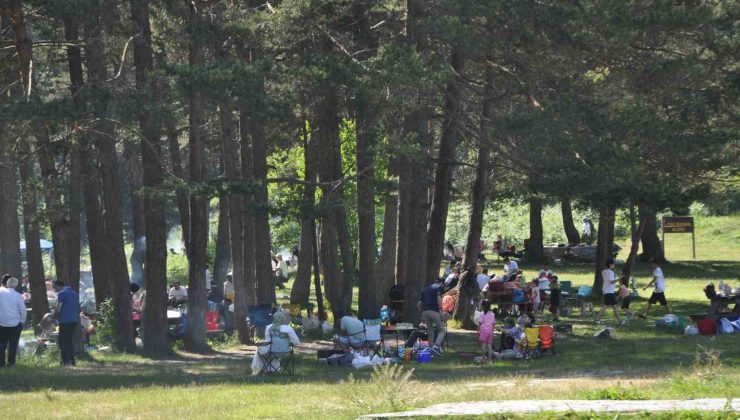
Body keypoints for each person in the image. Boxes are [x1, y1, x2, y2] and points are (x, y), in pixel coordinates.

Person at [250, 311, 300, 375]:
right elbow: (296, 342)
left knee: (260, 350)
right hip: (285, 352)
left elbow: (268, 342)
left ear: (274, 318)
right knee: (268, 351)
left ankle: (257, 370)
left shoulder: (269, 327)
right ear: (283, 318)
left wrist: (260, 344)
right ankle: (272, 370)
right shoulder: (289, 328)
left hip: (271, 352)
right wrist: (289, 342)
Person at [0, 277, 27, 367]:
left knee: (2, 344)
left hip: (2, 323)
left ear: (7, 284)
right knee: (13, 345)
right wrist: (22, 321)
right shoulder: (18, 296)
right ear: (16, 285)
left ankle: (1, 363)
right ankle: (11, 363)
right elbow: (23, 310)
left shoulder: (1, 294)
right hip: (15, 324)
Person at [54, 280, 79, 366]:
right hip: (74, 320)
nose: (55, 289)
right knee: (69, 340)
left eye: (54, 287)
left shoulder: (61, 293)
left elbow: (58, 308)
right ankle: (72, 360)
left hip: (65, 320)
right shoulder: (74, 293)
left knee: (62, 341)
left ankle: (66, 361)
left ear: (57, 286)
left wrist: (54, 316)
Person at [418, 278, 445, 355]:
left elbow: (419, 304)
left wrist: (422, 314)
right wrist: (442, 312)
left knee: (430, 332)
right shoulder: (438, 288)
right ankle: (436, 347)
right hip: (434, 311)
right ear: (441, 283)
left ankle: (430, 351)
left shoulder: (424, 290)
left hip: (425, 312)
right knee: (442, 330)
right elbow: (439, 300)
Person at [595, 259, 621, 325]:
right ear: (610, 265)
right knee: (605, 306)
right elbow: (612, 282)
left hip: (607, 291)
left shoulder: (604, 271)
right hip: (609, 291)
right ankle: (597, 319)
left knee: (614, 306)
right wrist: (619, 278)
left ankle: (620, 321)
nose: (614, 265)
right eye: (613, 264)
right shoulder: (610, 272)